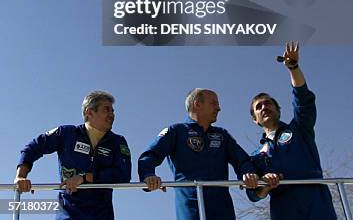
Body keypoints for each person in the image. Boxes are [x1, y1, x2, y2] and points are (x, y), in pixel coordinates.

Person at [138, 88, 278, 220]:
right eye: (214, 103)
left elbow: (242, 160)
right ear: (197, 104)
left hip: (223, 210)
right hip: (192, 207)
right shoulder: (176, 131)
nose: (218, 108)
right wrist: (148, 175)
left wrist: (248, 173)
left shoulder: (222, 135)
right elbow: (150, 155)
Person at [248, 41, 337, 219]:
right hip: (283, 206)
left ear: (278, 110)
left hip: (315, 199)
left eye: (268, 103)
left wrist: (293, 68)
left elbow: (304, 101)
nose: (264, 107)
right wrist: (266, 185)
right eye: (259, 107)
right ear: (254, 120)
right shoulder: (256, 156)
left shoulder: (299, 129)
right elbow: (253, 194)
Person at [14, 90, 131, 219]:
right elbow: (33, 148)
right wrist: (20, 176)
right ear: (90, 112)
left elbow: (123, 175)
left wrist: (85, 178)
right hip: (68, 212)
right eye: (106, 110)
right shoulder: (66, 134)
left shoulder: (117, 142)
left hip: (101, 213)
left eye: (112, 111)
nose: (112, 115)